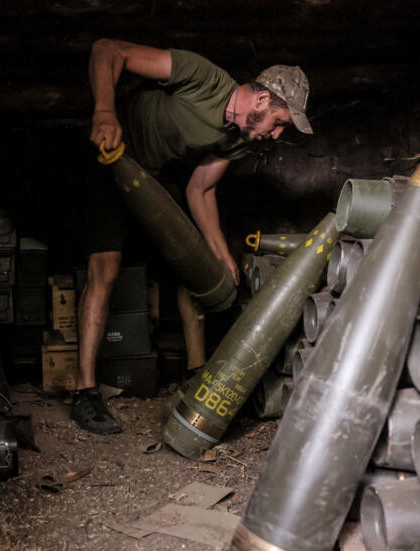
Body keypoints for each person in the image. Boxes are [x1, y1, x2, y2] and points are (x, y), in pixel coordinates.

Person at [72, 38, 313, 434]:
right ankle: (84, 392)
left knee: (193, 270)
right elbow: (107, 50)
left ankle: (196, 373)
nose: (276, 136)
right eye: (280, 122)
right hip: (112, 158)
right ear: (262, 100)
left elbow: (200, 189)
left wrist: (220, 253)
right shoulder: (202, 77)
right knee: (106, 269)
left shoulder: (239, 141)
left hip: (154, 179)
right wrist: (104, 111)